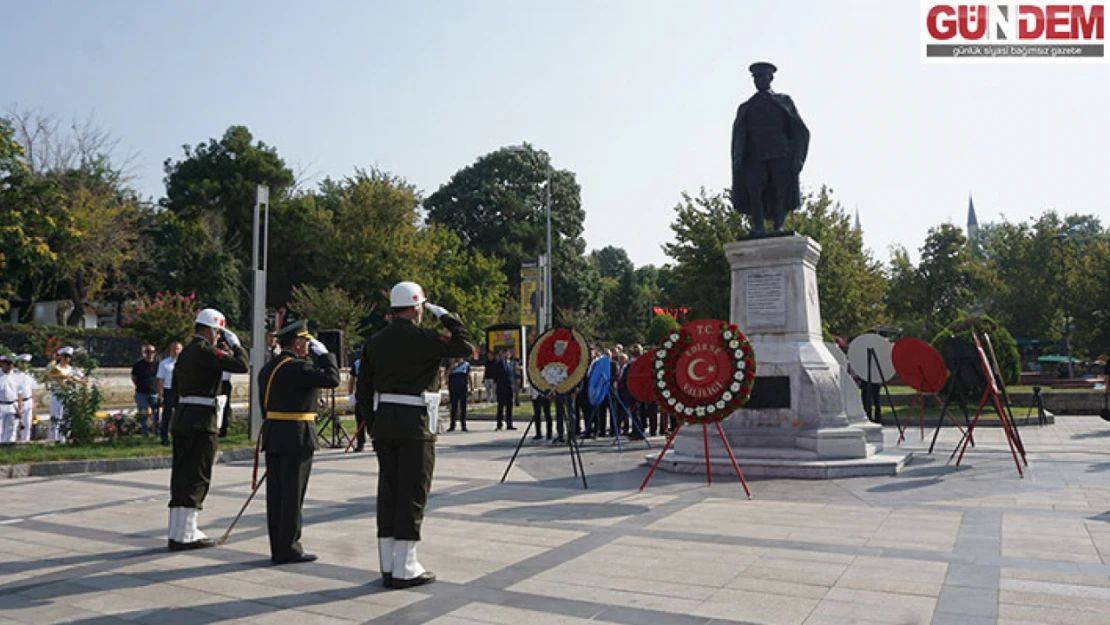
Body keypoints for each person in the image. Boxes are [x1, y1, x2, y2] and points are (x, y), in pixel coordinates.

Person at [356, 281, 475, 589]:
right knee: (412, 493)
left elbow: (364, 388)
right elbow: (464, 347)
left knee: (389, 492)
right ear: (416, 307)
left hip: (384, 425)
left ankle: (387, 562)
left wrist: (372, 423)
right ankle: (406, 566)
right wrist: (448, 317)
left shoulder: (375, 341)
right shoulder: (424, 338)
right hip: (415, 426)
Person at [257, 320, 340, 564]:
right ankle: (290, 548)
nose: (308, 346)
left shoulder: (269, 367)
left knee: (277, 495)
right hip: (296, 434)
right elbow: (332, 379)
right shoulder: (298, 367)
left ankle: (278, 546)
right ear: (298, 343)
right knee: (293, 494)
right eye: (306, 341)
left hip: (275, 433)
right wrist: (326, 356)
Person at [167, 308, 249, 551]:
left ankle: (177, 530)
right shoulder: (205, 351)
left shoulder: (185, 353)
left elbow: (177, 388)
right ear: (212, 330)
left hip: (183, 418)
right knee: (197, 475)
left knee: (182, 475)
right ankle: (187, 533)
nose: (218, 337)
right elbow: (241, 365)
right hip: (201, 422)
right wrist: (236, 344)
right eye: (218, 332)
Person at [731, 61, 810, 235]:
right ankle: (758, 227)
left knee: (779, 191)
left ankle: (778, 227)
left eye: (762, 76)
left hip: (779, 153)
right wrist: (738, 156)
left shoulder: (783, 101)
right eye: (755, 77)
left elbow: (799, 130)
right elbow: (741, 133)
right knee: (754, 191)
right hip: (754, 156)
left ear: (770, 78)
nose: (758, 80)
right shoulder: (747, 107)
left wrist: (798, 158)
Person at [45, 347, 81, 443]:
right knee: (56, 417)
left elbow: (83, 380)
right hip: (57, 395)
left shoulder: (73, 369)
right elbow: (47, 377)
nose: (66, 359)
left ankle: (64, 439)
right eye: (64, 356)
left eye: (68, 357)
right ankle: (52, 439)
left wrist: (73, 381)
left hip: (69, 395)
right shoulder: (55, 368)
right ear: (60, 357)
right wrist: (61, 376)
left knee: (67, 418)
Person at [157, 342, 183, 446]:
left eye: (178, 349)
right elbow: (160, 379)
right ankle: (164, 438)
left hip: (181, 391)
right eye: (174, 349)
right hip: (169, 390)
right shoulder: (164, 363)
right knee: (167, 414)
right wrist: (160, 394)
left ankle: (179, 437)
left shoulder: (185, 363)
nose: (176, 351)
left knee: (180, 415)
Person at [131, 344, 159, 437]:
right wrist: (138, 385)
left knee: (156, 414)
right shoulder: (138, 364)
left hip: (154, 393)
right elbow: (133, 377)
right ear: (144, 353)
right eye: (147, 352)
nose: (149, 354)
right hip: (141, 393)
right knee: (143, 414)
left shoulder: (157, 364)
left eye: (152, 352)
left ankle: (156, 431)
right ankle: (144, 432)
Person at [491, 350, 516, 430]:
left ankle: (509, 423)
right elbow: (495, 375)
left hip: (510, 387)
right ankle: (499, 423)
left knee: (510, 406)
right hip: (501, 387)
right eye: (505, 353)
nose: (506, 355)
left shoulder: (512, 363)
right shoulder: (498, 363)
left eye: (508, 354)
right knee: (501, 406)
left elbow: (513, 375)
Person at [0, 355, 22, 444]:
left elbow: (19, 394)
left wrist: (20, 408)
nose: (10, 366)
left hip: (12, 405)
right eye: (7, 364)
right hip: (1, 405)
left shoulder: (16, 376)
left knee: (11, 429)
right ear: (2, 364)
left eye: (11, 364)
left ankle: (9, 448)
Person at [446, 357, 470, 432]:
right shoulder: (451, 364)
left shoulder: (466, 365)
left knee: (463, 408)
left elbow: (469, 375)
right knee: (453, 407)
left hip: (463, 388)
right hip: (453, 388)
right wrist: (452, 367)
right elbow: (446, 374)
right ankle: (452, 425)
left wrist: (471, 387)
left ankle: (463, 425)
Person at [16, 354, 35, 442]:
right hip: (18, 402)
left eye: (27, 363)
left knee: (27, 424)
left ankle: (25, 442)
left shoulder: (30, 374)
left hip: (28, 401)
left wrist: (34, 402)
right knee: (16, 424)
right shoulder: (15, 374)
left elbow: (32, 388)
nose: (25, 365)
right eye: (23, 362)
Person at [349, 357, 365, 451]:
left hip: (373, 394)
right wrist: (350, 394)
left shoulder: (376, 361)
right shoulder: (357, 363)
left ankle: (376, 441)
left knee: (375, 420)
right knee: (359, 419)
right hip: (360, 395)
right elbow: (352, 379)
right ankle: (360, 442)